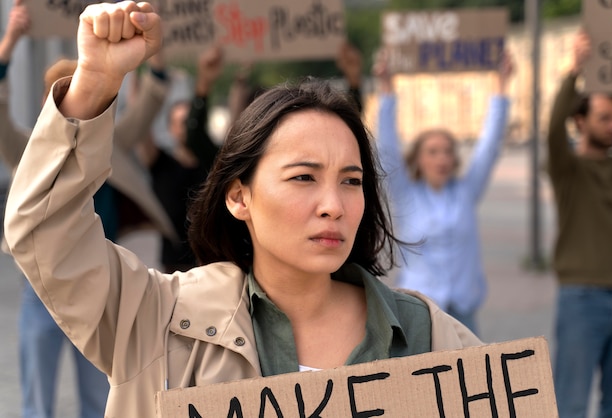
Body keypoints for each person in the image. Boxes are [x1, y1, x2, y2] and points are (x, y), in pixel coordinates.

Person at [4, 3, 481, 417]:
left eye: (351, 182)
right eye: (303, 177)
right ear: (238, 197)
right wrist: (94, 83)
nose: (333, 206)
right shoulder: (158, 318)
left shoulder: (428, 334)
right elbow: (45, 233)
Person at [0, 1, 176, 416]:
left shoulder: (111, 140)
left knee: (100, 402)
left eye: (81, 85)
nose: (74, 97)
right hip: (41, 290)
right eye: (61, 88)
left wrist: (155, 47)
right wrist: (10, 43)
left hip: (101, 286)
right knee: (37, 401)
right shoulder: (28, 150)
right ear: (48, 98)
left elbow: (151, 100)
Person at [374, 50, 513, 333]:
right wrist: (387, 89)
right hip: (420, 312)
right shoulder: (405, 195)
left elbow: (489, 145)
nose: (442, 159)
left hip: (464, 308)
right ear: (418, 159)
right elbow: (387, 148)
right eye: (433, 152)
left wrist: (501, 85)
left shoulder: (465, 191)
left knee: (470, 377)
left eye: (448, 151)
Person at [546, 31, 612, 418]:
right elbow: (551, 133)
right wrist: (573, 72)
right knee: (571, 401)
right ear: (580, 121)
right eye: (604, 117)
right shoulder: (568, 170)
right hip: (581, 298)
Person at [138, 46, 222, 272]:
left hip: (209, 263)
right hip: (172, 265)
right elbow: (140, 124)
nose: (186, 128)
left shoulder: (213, 160)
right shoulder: (160, 162)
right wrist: (149, 67)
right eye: (180, 122)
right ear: (170, 128)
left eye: (190, 121)